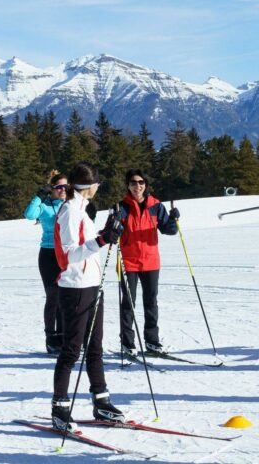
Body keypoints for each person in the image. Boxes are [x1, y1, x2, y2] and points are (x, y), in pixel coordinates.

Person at [50, 161, 126, 432]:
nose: (98, 187)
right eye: (97, 183)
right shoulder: (70, 211)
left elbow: (91, 245)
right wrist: (103, 240)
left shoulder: (82, 210)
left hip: (92, 284)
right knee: (71, 350)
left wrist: (107, 232)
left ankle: (101, 401)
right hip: (75, 288)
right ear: (90, 186)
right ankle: (59, 407)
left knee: (95, 347)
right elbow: (70, 254)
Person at [115, 169, 178, 356]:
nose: (137, 186)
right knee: (128, 303)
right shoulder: (121, 207)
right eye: (133, 182)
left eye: (141, 182)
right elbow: (111, 233)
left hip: (151, 261)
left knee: (151, 302)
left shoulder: (156, 206)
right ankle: (127, 342)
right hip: (128, 262)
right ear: (128, 185)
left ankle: (152, 341)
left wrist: (174, 218)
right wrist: (115, 223)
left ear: (146, 184)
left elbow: (169, 230)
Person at [24, 170, 68, 354]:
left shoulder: (70, 205)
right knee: (53, 297)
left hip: (66, 254)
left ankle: (65, 336)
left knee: (66, 297)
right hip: (49, 254)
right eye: (59, 187)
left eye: (66, 187)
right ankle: (51, 339)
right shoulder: (45, 205)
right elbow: (29, 214)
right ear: (52, 189)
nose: (63, 190)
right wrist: (39, 196)